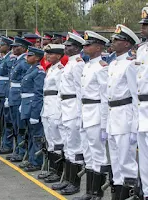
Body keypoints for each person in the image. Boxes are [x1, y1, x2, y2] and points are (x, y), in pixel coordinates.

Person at [75, 31, 110, 200]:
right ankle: (88, 192)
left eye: (88, 45)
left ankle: (97, 193)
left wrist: (104, 124)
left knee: (98, 154)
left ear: (99, 47)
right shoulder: (87, 65)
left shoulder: (102, 68)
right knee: (88, 153)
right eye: (84, 45)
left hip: (95, 113)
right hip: (85, 112)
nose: (85, 47)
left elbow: (105, 98)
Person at [106, 24, 140, 199]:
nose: (113, 42)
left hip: (125, 116)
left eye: (117, 40)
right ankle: (118, 195)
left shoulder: (130, 64)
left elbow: (136, 97)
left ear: (127, 44)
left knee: (127, 162)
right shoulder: (112, 64)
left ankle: (130, 195)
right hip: (113, 117)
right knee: (116, 161)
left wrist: (135, 126)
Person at [52, 32, 85, 195]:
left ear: (77, 48)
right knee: (67, 145)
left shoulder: (78, 64)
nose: (65, 47)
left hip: (73, 108)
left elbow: (80, 91)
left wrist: (80, 114)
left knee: (74, 146)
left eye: (69, 45)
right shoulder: (69, 64)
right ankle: (68, 179)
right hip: (65, 107)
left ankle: (75, 183)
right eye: (65, 45)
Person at [39, 44, 65, 183]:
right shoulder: (51, 69)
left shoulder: (61, 70)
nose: (48, 56)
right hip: (47, 106)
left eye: (51, 53)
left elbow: (61, 92)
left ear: (59, 56)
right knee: (50, 140)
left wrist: (60, 110)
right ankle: (51, 169)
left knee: (57, 140)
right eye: (47, 53)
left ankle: (58, 172)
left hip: (55, 106)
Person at [19, 46, 46, 172]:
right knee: (30, 134)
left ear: (37, 58)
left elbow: (38, 93)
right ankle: (31, 158)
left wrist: (35, 114)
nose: (27, 57)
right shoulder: (32, 69)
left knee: (36, 135)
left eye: (30, 55)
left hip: (33, 106)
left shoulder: (39, 71)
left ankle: (36, 161)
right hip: (27, 104)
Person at [7, 37, 32, 163]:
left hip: (19, 97)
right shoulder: (18, 60)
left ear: (23, 48)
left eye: (16, 46)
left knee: (20, 126)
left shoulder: (25, 61)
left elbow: (27, 82)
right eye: (13, 46)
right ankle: (17, 150)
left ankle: (22, 152)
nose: (13, 48)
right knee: (15, 126)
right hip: (13, 96)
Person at [0, 36, 15, 155]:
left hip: (5, 91)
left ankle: (7, 145)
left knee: (7, 121)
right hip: (1, 91)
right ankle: (4, 144)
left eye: (2, 45)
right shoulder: (5, 58)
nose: (0, 47)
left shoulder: (10, 59)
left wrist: (6, 94)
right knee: (2, 119)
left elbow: (9, 78)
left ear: (8, 47)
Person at [137, 6, 148, 200]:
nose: (143, 28)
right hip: (141, 108)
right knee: (144, 158)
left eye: (146, 25)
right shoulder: (141, 50)